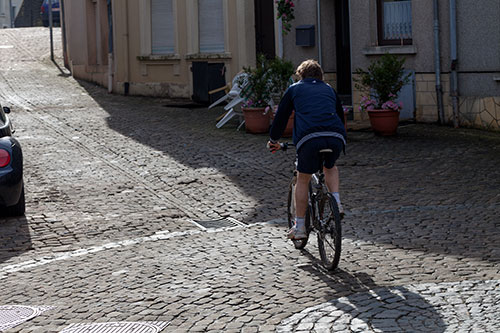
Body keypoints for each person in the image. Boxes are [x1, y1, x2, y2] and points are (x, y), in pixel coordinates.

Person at [267, 59, 346, 240]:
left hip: (309, 139)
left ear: (300, 76)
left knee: (303, 179)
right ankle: (337, 201)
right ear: (320, 76)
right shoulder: (329, 89)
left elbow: (281, 117)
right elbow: (340, 116)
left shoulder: (294, 89)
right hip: (335, 137)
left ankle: (300, 227)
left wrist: (273, 139)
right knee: (330, 166)